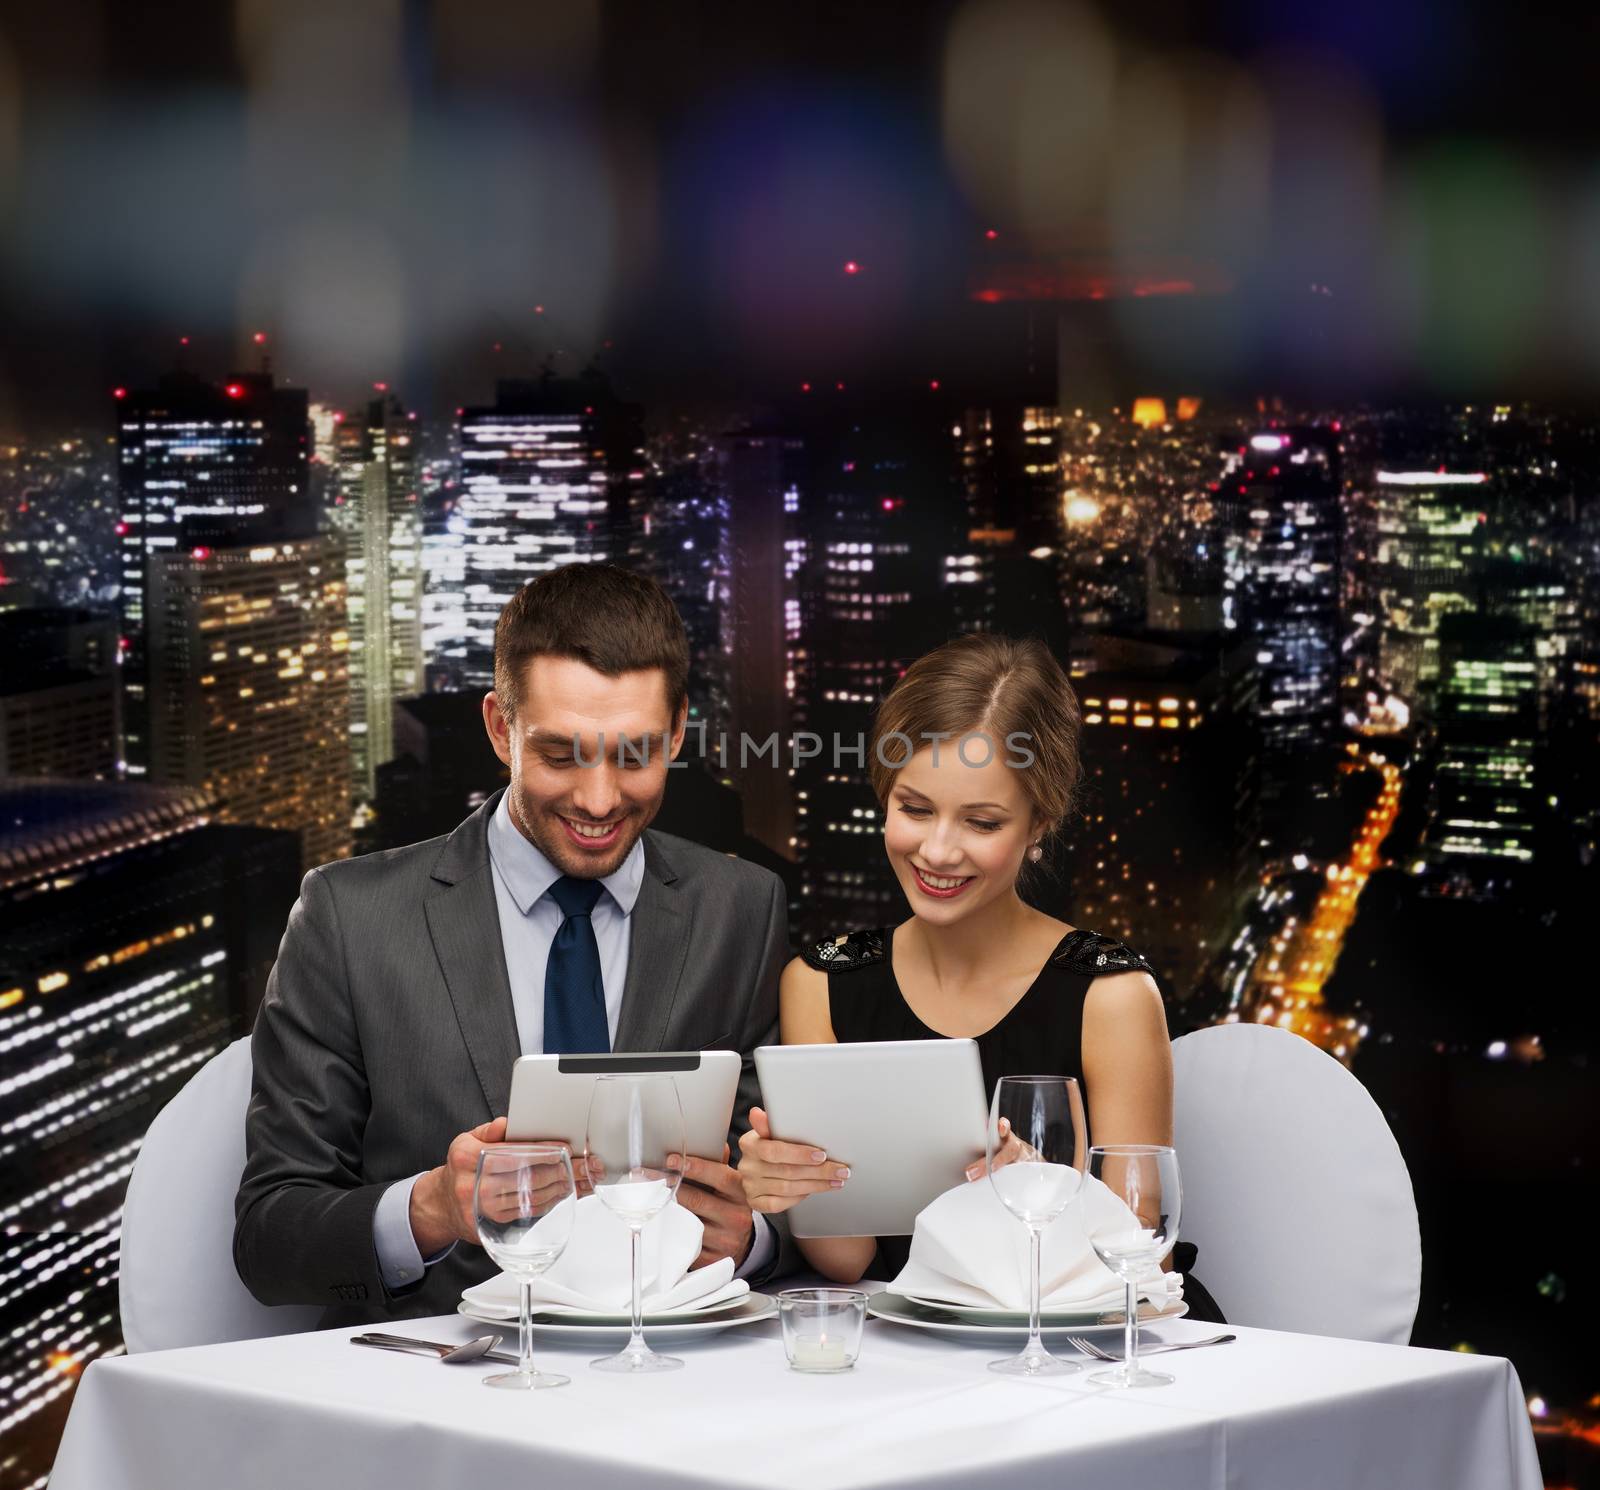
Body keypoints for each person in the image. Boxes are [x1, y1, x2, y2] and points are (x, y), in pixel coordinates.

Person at [235, 564, 789, 1326]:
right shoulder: (349, 917)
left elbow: (781, 1187)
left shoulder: (743, 908)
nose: (600, 800)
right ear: (501, 727)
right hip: (446, 1393)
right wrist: (429, 1208)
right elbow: (268, 1239)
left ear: (680, 731)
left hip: (674, 1377)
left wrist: (750, 1238)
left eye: (635, 755)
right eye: (560, 755)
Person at [735, 633, 1223, 1319]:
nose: (937, 850)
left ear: (1039, 823)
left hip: (1082, 1348)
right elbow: (845, 1261)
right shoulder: (820, 983)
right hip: (913, 1348)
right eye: (914, 808)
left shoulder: (1110, 995)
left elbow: (1144, 1265)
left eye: (982, 821)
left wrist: (1050, 1197)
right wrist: (789, 1182)